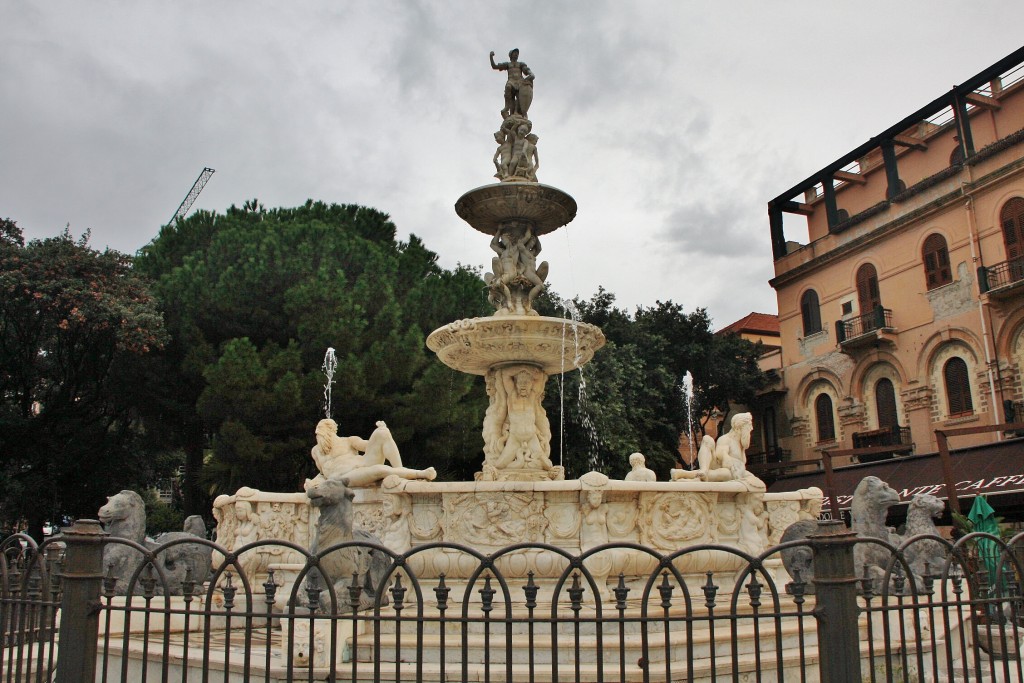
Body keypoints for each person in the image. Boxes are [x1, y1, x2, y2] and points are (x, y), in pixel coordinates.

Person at [306, 418, 436, 488]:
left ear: (333, 430)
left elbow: (370, 446)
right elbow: (322, 474)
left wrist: (382, 430)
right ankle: (420, 473)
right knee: (380, 469)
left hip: (363, 463)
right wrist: (313, 483)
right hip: (344, 476)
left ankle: (400, 471)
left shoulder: (349, 441)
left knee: (382, 433)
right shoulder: (316, 451)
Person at [491, 366, 553, 470]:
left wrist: (527, 371)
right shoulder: (512, 395)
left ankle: (524, 463)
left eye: (527, 383)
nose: (523, 385)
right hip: (515, 437)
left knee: (548, 466)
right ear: (516, 384)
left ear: (531, 384)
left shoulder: (533, 395)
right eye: (520, 383)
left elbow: (540, 376)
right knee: (499, 466)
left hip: (531, 437)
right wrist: (523, 368)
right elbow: (505, 373)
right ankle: (522, 462)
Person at [490, 49, 535, 118]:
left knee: (519, 97)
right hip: (511, 81)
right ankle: (507, 107)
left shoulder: (520, 64)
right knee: (508, 88)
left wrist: (530, 73)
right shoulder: (508, 64)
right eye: (514, 53)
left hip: (520, 81)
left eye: (517, 53)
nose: (516, 54)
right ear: (511, 55)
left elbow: (526, 70)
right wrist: (491, 57)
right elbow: (494, 66)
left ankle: (517, 112)